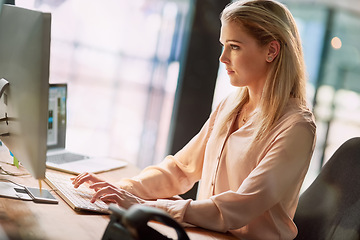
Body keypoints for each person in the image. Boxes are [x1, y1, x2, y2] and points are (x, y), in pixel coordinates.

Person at [71, 0, 316, 239]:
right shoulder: (230, 105)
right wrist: (122, 190)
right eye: (223, 45)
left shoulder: (296, 128)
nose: (223, 58)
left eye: (234, 46)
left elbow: (239, 207)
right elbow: (180, 169)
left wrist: (145, 206)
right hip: (207, 233)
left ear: (271, 51)